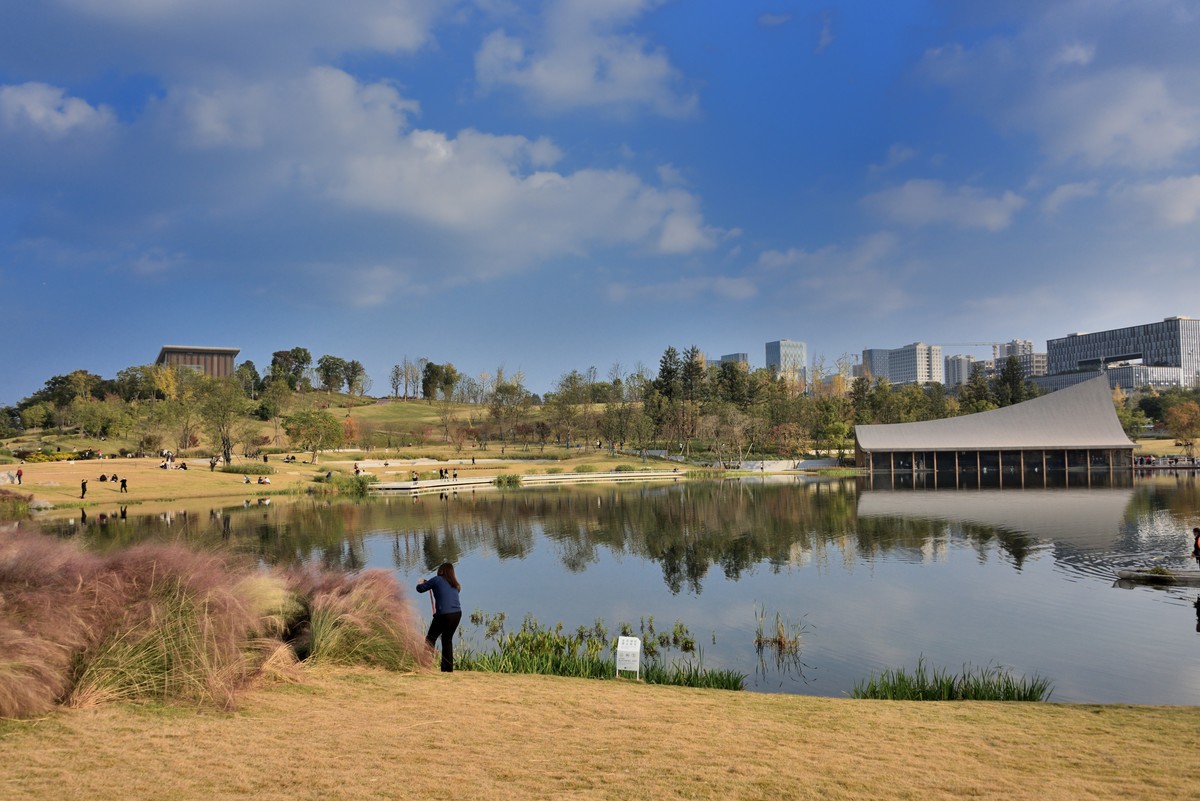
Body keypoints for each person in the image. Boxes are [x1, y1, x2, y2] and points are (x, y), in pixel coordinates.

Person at [416, 563, 462, 672]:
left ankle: (426, 665)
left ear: (441, 570)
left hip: (443, 614)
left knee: (430, 639)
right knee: (447, 640)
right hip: (457, 614)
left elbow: (420, 589)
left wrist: (421, 583)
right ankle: (447, 669)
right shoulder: (455, 584)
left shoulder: (437, 579)